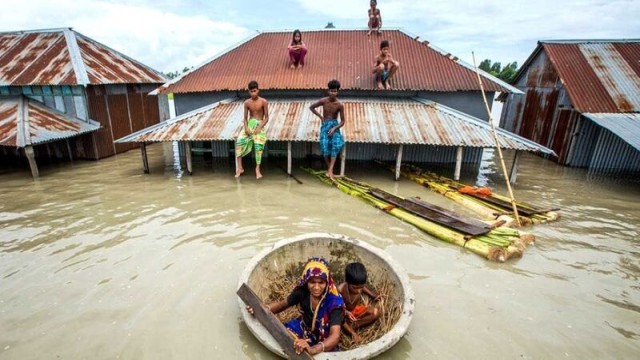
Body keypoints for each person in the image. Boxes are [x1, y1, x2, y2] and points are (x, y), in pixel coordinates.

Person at [247, 257, 344, 355]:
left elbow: (335, 336)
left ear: (327, 283)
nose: (316, 287)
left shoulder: (334, 303)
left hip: (324, 338)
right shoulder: (303, 292)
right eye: (312, 282)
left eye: (321, 282)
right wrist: (260, 309)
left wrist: (313, 349)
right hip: (304, 328)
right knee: (283, 336)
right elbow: (282, 305)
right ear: (306, 282)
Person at [309, 79, 345, 181]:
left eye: (335, 91)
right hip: (325, 125)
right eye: (331, 91)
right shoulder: (323, 101)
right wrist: (320, 117)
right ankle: (330, 169)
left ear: (338, 92)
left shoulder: (340, 105)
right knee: (324, 147)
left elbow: (343, 121)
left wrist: (334, 128)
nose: (333, 93)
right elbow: (311, 107)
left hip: (334, 125)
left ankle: (330, 170)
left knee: (336, 144)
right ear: (328, 91)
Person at [338, 262, 382, 343]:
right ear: (347, 283)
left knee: (375, 312)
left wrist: (373, 295)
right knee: (339, 319)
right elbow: (336, 307)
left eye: (360, 287)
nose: (358, 291)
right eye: (355, 288)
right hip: (343, 314)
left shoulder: (359, 286)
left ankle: (354, 325)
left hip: (354, 311)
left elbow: (363, 288)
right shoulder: (340, 290)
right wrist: (346, 312)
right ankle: (351, 331)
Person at [235, 80, 268, 179]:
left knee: (259, 145)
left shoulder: (263, 101)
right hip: (250, 124)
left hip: (259, 125)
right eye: (251, 91)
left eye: (255, 91)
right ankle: (240, 168)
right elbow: (245, 118)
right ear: (249, 92)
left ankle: (257, 169)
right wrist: (246, 128)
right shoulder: (247, 103)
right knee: (239, 142)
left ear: (258, 90)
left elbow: (266, 118)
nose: (253, 93)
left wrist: (259, 127)